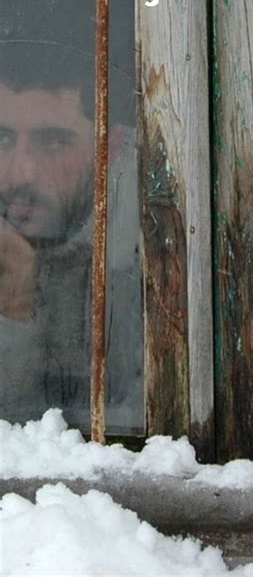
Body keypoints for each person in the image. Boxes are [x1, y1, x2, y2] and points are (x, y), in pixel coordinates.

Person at [0, 42, 143, 431]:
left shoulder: (150, 259)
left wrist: (18, 300)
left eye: (53, 141)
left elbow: (141, 430)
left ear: (109, 148)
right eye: (3, 139)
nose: (22, 172)